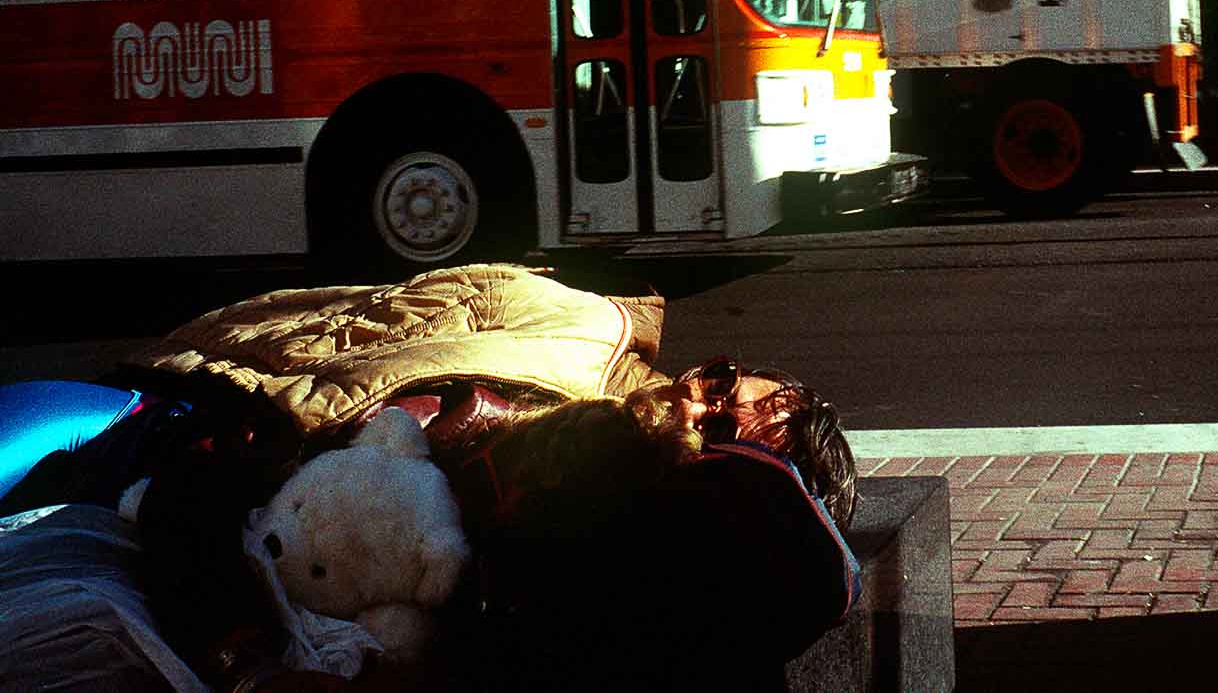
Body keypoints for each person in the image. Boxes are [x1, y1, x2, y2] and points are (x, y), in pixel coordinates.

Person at [0, 266, 863, 692]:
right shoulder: (570, 341)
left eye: (716, 423)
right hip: (149, 424)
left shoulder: (587, 537)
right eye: (716, 378)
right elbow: (360, 315)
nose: (692, 398)